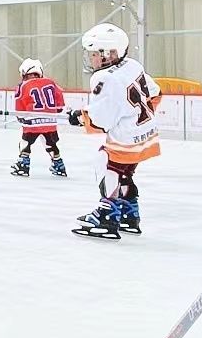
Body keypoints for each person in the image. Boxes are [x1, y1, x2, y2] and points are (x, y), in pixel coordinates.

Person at [67, 24, 158, 238]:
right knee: (125, 172)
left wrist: (80, 117)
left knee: (106, 163)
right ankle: (129, 213)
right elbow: (155, 91)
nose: (92, 59)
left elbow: (102, 118)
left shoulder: (104, 78)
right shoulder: (133, 65)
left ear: (109, 53)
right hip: (145, 134)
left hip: (125, 137)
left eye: (94, 54)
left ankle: (107, 215)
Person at [11, 58, 67, 178]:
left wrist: (20, 117)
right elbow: (60, 103)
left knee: (26, 142)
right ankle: (59, 166)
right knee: (50, 143)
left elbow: (19, 105)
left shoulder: (23, 86)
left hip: (32, 122)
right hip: (50, 121)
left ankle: (23, 166)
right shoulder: (51, 83)